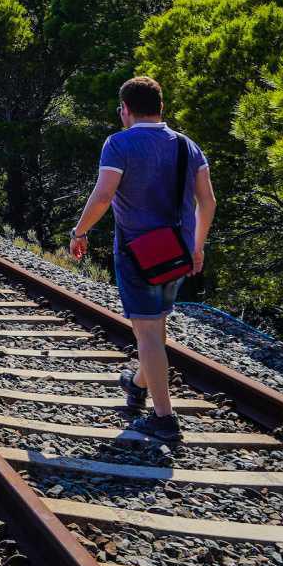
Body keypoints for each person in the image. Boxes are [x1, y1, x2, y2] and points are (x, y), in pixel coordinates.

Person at [69, 76, 217, 442]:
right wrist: (197, 246)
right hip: (179, 251)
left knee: (148, 331)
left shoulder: (118, 144)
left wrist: (80, 231)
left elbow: (104, 195)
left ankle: (164, 418)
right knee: (156, 326)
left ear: (125, 110)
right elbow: (208, 202)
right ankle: (136, 383)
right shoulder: (188, 146)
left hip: (139, 252)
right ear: (161, 107)